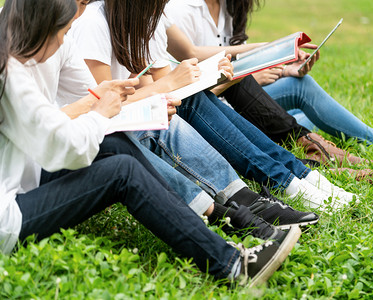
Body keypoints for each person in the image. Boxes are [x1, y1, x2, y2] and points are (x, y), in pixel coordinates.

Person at [0, 0, 301, 286]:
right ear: (39, 24)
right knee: (122, 172)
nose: (66, 41)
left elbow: (89, 98)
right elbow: (67, 149)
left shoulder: (27, 53)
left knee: (114, 142)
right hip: (10, 218)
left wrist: (107, 103)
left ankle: (222, 215)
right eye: (62, 33)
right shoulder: (11, 76)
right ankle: (231, 263)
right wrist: (100, 112)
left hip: (28, 174)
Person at [71, 0, 360, 211]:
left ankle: (298, 175)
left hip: (148, 114)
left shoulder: (149, 19)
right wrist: (173, 83)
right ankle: (289, 180)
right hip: (105, 130)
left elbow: (156, 87)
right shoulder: (96, 23)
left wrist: (207, 74)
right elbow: (108, 106)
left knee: (196, 97)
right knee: (192, 100)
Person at [164, 0, 373, 157]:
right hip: (212, 103)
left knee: (299, 87)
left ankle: (363, 139)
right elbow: (191, 65)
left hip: (243, 92)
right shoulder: (181, 8)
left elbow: (244, 65)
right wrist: (270, 50)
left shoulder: (230, 6)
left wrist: (283, 69)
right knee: (299, 108)